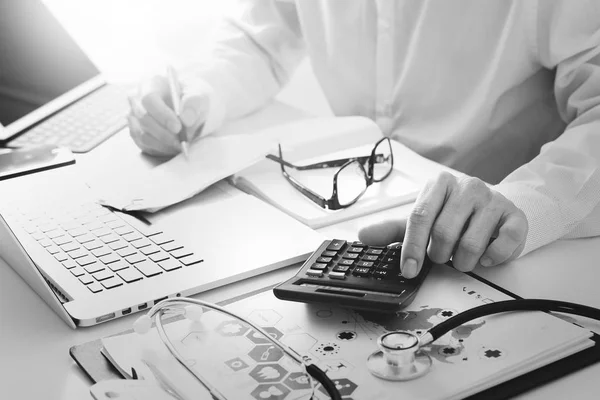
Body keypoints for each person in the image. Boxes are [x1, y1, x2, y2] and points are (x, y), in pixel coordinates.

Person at [127, 0, 600, 279]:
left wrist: (525, 205)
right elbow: (261, 37)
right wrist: (194, 100)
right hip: (347, 210)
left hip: (501, 250)